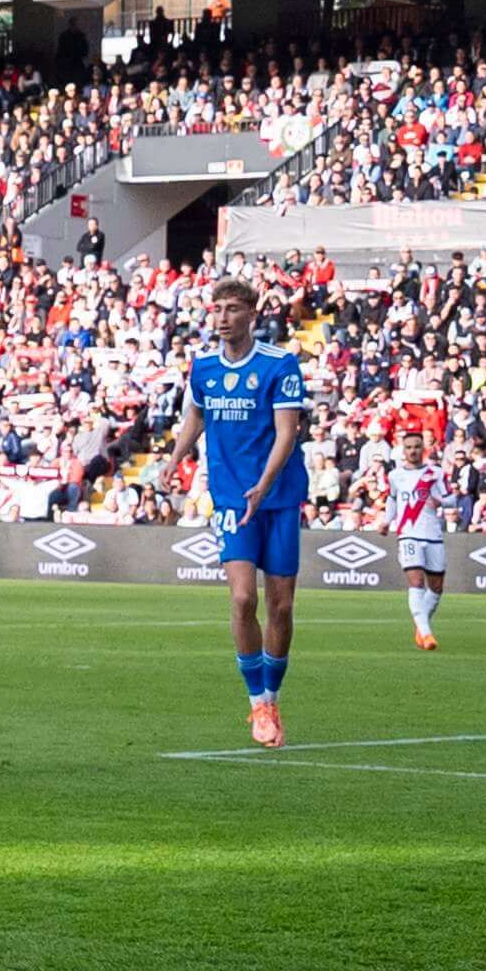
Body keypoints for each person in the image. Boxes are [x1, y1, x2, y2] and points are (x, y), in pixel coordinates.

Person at [171, 273, 311, 748]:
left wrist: (264, 485)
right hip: (231, 497)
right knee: (242, 599)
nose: (223, 318)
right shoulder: (203, 367)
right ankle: (258, 704)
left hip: (279, 495)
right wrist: (175, 457)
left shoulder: (279, 364)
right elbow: (196, 415)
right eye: (217, 309)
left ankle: (273, 695)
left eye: (232, 309)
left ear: (252, 314)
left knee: (281, 605)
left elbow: (287, 432)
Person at [385, 401, 456, 650]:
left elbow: (451, 498)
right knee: (416, 582)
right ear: (402, 450)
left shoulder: (435, 473)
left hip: (433, 534)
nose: (413, 451)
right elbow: (392, 499)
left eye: (416, 447)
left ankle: (421, 625)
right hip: (409, 534)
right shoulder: (396, 476)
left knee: (436, 587)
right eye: (409, 447)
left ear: (423, 448)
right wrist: (386, 521)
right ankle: (426, 634)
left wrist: (440, 501)